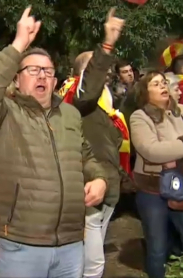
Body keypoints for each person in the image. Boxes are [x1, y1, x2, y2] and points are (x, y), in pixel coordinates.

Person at [0, 7, 108, 278]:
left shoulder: (70, 114)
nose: (42, 75)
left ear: (55, 80)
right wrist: (19, 43)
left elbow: (87, 157)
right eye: (33, 70)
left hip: (70, 244)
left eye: (47, 71)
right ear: (17, 79)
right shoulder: (4, 113)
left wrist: (100, 179)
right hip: (22, 246)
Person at [58, 9, 126, 277]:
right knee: (91, 266)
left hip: (108, 187)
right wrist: (107, 44)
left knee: (90, 260)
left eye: (105, 66)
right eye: (96, 64)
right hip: (87, 190)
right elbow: (88, 92)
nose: (105, 70)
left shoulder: (105, 103)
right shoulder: (75, 94)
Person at [130, 71, 183, 278]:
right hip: (152, 191)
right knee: (157, 249)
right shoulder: (139, 117)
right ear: (145, 93)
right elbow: (151, 151)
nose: (163, 86)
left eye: (164, 82)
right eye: (156, 84)